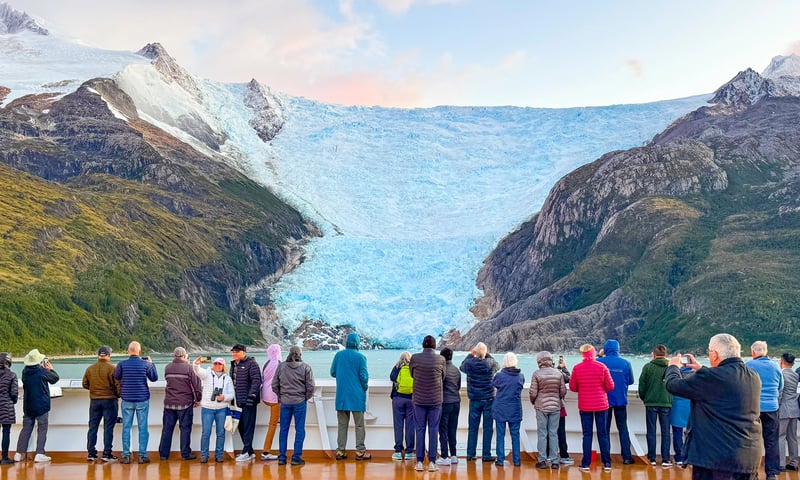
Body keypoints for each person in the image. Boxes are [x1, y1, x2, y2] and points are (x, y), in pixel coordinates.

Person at [665, 333, 762, 480]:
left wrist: (673, 367)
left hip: (717, 459)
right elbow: (722, 383)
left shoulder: (711, 377)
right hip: (748, 457)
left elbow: (673, 385)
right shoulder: (753, 375)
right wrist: (701, 368)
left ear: (714, 355)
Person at [569, 344, 614, 472]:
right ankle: (607, 463)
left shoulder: (577, 368)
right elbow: (610, 386)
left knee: (587, 434)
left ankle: (586, 463)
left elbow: (573, 387)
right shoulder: (602, 367)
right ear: (593, 353)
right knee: (603, 434)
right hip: (601, 404)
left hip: (585, 405)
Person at [114, 341, 158, 464]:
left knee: (126, 427)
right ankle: (142, 455)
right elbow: (154, 378)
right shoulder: (145, 364)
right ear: (139, 351)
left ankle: (126, 455)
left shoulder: (122, 364)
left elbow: (116, 376)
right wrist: (151, 363)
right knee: (143, 427)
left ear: (129, 351)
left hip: (127, 398)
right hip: (142, 398)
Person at [746, 341, 784, 480]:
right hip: (772, 408)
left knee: (751, 441)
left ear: (753, 352)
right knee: (771, 441)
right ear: (766, 351)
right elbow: (781, 386)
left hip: (753, 408)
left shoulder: (749, 365)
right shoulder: (775, 366)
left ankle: (752, 473)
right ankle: (771, 473)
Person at [330, 333, 370, 461]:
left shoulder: (338, 355)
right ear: (357, 343)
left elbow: (333, 372)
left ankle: (341, 451)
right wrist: (363, 387)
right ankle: (360, 452)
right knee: (359, 425)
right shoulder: (361, 357)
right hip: (357, 396)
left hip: (341, 396)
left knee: (342, 425)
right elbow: (364, 376)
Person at [272, 345, 315, 466]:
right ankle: (296, 457)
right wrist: (305, 397)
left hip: (285, 402)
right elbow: (311, 386)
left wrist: (281, 396)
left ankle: (282, 457)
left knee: (283, 429)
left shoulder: (281, 366)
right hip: (299, 401)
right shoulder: (306, 367)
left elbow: (274, 384)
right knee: (300, 429)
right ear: (300, 354)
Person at [15, 349, 59, 463]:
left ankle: (19, 453)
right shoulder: (42, 371)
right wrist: (51, 369)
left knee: (26, 429)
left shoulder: (25, 371)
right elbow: (55, 378)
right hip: (42, 405)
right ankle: (39, 453)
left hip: (28, 405)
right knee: (42, 429)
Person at [410, 335, 445, 472]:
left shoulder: (415, 358)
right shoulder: (441, 359)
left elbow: (412, 374)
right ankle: (432, 462)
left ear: (423, 345)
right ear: (434, 345)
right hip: (435, 399)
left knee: (419, 429)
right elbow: (443, 376)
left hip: (418, 399)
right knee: (433, 429)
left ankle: (419, 461)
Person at [158, 347, 201, 461]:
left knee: (167, 429)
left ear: (174, 356)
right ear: (184, 356)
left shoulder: (168, 367)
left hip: (169, 403)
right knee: (185, 429)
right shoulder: (188, 368)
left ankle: (163, 454)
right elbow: (196, 386)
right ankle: (185, 454)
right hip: (185, 403)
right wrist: (198, 399)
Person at [459, 342, 498, 463]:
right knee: (488, 428)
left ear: (475, 352)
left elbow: (461, 367)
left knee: (473, 428)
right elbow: (498, 365)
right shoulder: (491, 363)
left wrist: (471, 354)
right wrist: (485, 353)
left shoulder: (470, 363)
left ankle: (470, 454)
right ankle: (486, 454)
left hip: (475, 399)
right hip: (489, 399)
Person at [597, 339, 634, 464]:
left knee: (604, 430)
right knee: (623, 429)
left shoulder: (600, 362)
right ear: (618, 348)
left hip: (604, 402)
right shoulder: (625, 363)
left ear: (605, 349)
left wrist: (599, 355)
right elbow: (631, 381)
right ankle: (627, 457)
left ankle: (606, 460)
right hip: (621, 400)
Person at [82, 346, 120, 462]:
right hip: (110, 400)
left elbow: (85, 384)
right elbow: (118, 385)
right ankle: (106, 453)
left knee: (93, 427)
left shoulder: (90, 369)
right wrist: (117, 395)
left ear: (98, 355)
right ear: (109, 355)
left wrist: (94, 390)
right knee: (108, 427)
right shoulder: (113, 368)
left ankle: (91, 453)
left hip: (94, 401)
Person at [193, 356, 234, 463]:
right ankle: (204, 455)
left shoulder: (227, 378)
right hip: (207, 408)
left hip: (222, 409)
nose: (217, 366)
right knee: (206, 433)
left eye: (220, 364)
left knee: (221, 433)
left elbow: (231, 394)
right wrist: (196, 363)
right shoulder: (207, 374)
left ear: (223, 366)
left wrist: (224, 397)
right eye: (215, 363)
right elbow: (198, 371)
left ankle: (219, 455)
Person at [530, 351, 566, 469]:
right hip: (555, 406)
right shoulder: (558, 373)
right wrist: (556, 399)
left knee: (542, 433)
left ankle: (542, 460)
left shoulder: (536, 374)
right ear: (551, 360)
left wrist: (534, 401)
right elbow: (563, 391)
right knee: (553, 433)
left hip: (541, 407)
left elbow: (533, 392)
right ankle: (555, 461)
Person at [638, 344, 673, 467]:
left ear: (653, 354)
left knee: (651, 431)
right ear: (666, 355)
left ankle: (652, 458)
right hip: (666, 402)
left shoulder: (648, 367)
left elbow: (641, 386)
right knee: (665, 432)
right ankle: (665, 459)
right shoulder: (670, 367)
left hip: (651, 402)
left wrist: (645, 398)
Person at [229, 343, 261, 462]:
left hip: (248, 401)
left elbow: (256, 381)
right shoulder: (234, 365)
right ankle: (250, 451)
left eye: (237, 352)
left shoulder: (252, 364)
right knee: (240, 426)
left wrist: (251, 396)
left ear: (244, 352)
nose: (234, 354)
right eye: (233, 352)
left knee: (248, 426)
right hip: (238, 401)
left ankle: (246, 451)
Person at [492, 352, 524, 468]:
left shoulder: (500, 376)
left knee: (500, 434)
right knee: (515, 434)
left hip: (501, 408)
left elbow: (494, 383)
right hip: (515, 408)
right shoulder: (520, 376)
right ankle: (517, 460)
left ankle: (500, 459)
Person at [389, 351, 415, 461]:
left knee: (398, 425)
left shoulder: (397, 367)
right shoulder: (414, 368)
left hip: (398, 399)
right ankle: (409, 452)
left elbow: (392, 378)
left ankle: (398, 452)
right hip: (411, 399)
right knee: (410, 426)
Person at [437, 347, 461, 466]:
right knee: (453, 429)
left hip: (445, 403)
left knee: (443, 430)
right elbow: (458, 386)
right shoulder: (456, 370)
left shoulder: (441, 370)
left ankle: (444, 456)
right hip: (456, 402)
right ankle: (454, 455)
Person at [669, 357, 694, 466]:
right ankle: (689, 456)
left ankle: (679, 456)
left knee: (677, 432)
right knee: (690, 432)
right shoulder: (695, 374)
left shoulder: (676, 374)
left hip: (677, 404)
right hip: (690, 405)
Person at [260, 344, 282, 461]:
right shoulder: (279, 364)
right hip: (275, 398)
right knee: (273, 424)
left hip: (265, 396)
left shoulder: (266, 363)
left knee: (273, 423)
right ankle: (266, 451)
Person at [778, 352, 798, 471]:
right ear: (793, 363)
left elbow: (780, 393)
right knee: (792, 437)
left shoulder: (781, 374)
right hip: (794, 408)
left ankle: (781, 464)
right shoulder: (796, 375)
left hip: (784, 409)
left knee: (780, 436)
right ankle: (794, 463)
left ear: (781, 361)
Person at [0, 353, 18, 465]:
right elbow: (14, 393)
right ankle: (5, 458)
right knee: (6, 432)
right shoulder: (12, 375)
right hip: (6, 407)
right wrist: (13, 401)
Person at [555, 356, 573, 465]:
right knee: (560, 432)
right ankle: (564, 455)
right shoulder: (558, 374)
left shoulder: (539, 373)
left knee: (547, 432)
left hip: (544, 408)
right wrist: (563, 368)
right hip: (558, 406)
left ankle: (548, 455)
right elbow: (568, 378)